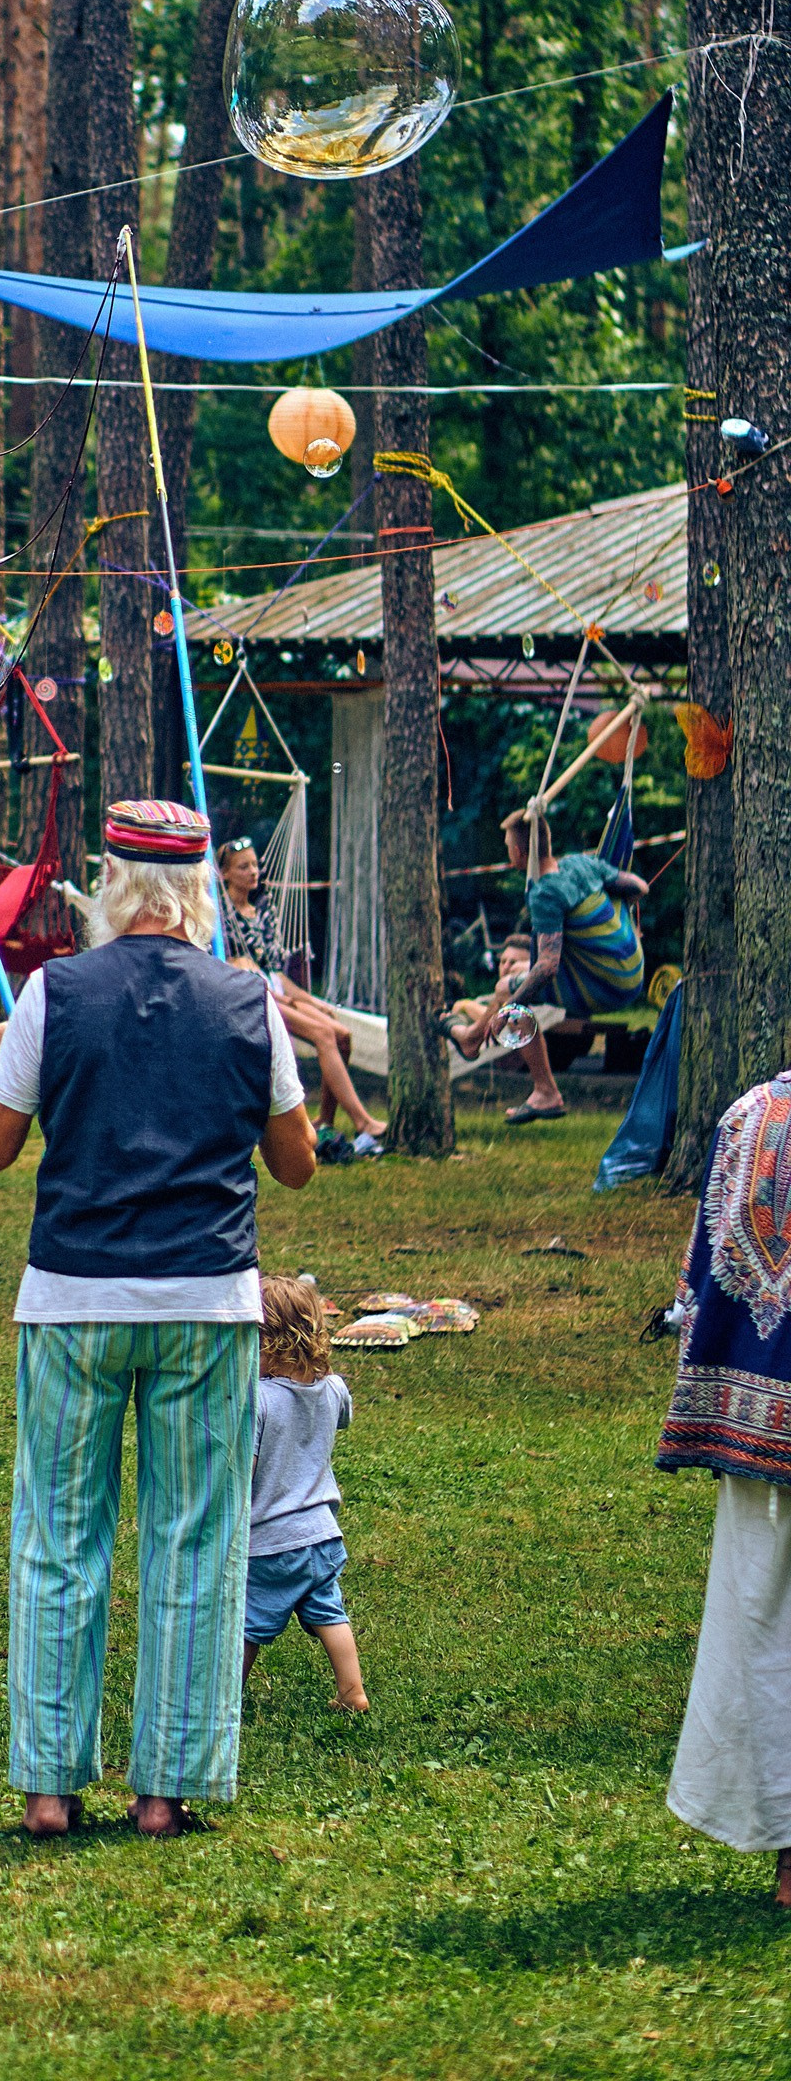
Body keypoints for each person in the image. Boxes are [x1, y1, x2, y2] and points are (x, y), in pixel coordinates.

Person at [0, 798, 317, 1841]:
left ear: (110, 887)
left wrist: (6, 1058)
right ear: (198, 892)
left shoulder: (53, 993)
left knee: (57, 1540)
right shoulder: (245, 999)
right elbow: (296, 1165)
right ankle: (162, 1790)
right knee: (192, 1541)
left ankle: (46, 1785)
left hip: (72, 1299)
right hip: (206, 1303)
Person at [656, 1072, 791, 1907]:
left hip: (759, 1414)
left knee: (761, 1626)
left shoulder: (751, 1114)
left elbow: (705, 1281)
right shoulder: (753, 1116)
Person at [465, 806, 647, 1124]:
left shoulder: (545, 894)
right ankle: (471, 1039)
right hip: (633, 972)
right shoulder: (581, 864)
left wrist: (507, 1010)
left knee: (507, 989)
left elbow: (547, 967)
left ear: (519, 853)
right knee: (511, 989)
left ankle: (545, 1091)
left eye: (509, 847)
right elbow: (638, 887)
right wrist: (616, 922)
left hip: (604, 986)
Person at [242, 1275, 368, 1712]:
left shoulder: (257, 1400)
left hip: (271, 1541)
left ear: (266, 1343)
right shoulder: (334, 1389)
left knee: (247, 1622)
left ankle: (225, 1699)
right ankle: (352, 1691)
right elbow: (341, 1419)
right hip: (323, 1535)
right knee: (330, 1613)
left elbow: (247, 1471)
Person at [217, 838, 383, 1142]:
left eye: (255, 864)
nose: (253, 871)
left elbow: (278, 972)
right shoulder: (221, 917)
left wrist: (311, 1001)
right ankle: (364, 1122)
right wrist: (284, 998)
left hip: (276, 989)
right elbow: (231, 965)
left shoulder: (264, 912)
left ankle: (325, 1119)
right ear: (225, 874)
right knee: (322, 1035)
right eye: (244, 866)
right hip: (252, 995)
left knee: (342, 1035)